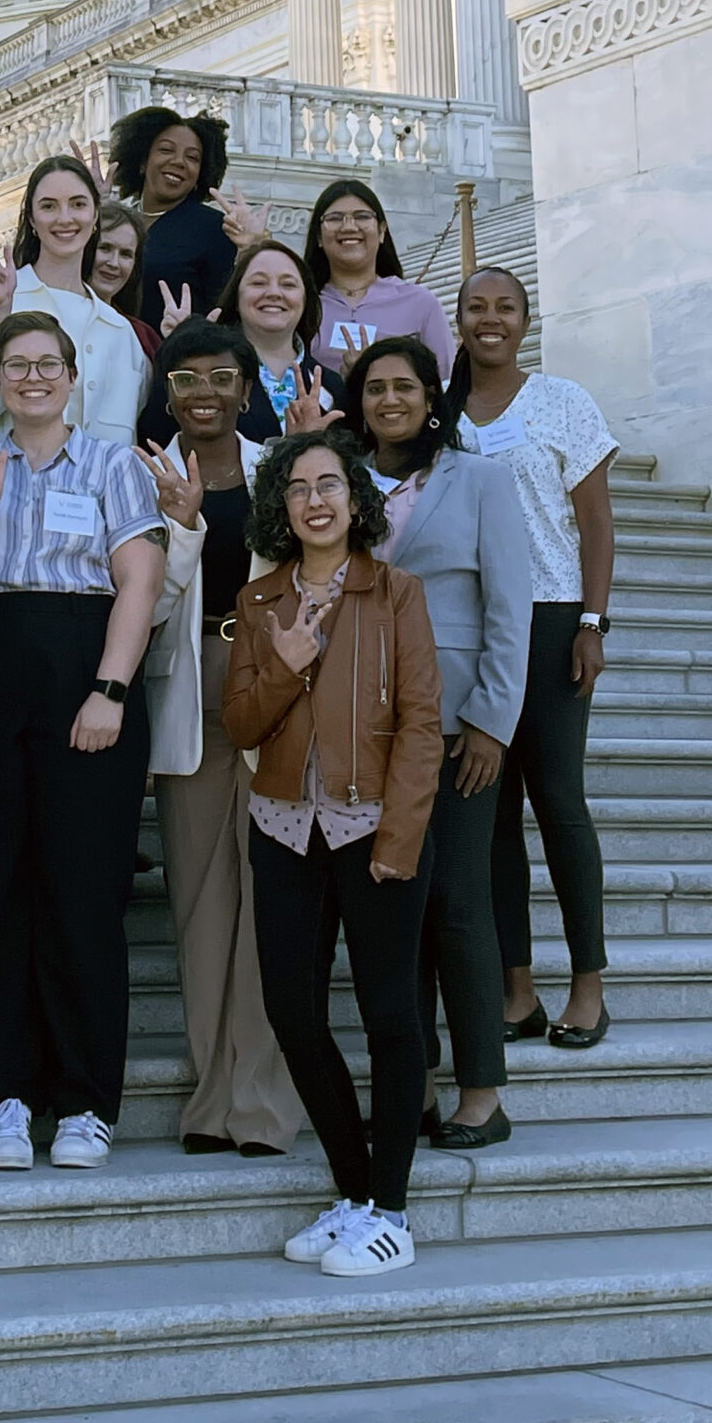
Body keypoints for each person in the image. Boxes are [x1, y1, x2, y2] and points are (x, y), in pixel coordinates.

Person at [0, 311, 167, 1172]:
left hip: (87, 671)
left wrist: (110, 688)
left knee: (81, 892)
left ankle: (83, 1102)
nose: (33, 377)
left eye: (49, 365)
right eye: (17, 365)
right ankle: (3, 1097)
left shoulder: (112, 460)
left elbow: (139, 580)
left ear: (74, 378)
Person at [225, 429, 444, 1278]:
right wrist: (284, 666)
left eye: (330, 484)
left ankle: (391, 1208)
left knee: (392, 1016)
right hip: (282, 826)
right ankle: (353, 1192)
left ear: (356, 500)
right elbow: (241, 724)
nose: (315, 499)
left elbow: (423, 725)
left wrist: (400, 838)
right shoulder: (260, 603)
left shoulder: (398, 594)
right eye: (297, 487)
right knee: (292, 1012)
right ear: (281, 507)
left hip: (372, 827)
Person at [342, 333, 531, 1149]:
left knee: (457, 906)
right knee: (396, 912)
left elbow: (510, 609)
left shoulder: (483, 479)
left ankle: (482, 1089)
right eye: (376, 389)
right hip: (370, 727)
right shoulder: (343, 483)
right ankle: (411, 1079)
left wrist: (492, 721)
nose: (390, 401)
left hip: (459, 728)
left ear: (431, 395)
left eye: (405, 387)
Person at [137, 321, 298, 1157]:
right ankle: (211, 1099)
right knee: (202, 905)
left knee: (271, 897)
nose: (204, 393)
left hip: (282, 686)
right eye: (187, 380)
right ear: (167, 394)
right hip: (191, 680)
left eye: (221, 377)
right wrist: (182, 528)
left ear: (247, 388)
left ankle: (263, 1105)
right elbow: (143, 604)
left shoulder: (286, 465)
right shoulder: (144, 474)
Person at [449, 268, 616, 1049]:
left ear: (525, 319)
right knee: (490, 820)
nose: (490, 320)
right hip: (471, 626)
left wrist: (593, 621)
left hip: (549, 621)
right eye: (476, 307)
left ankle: (589, 984)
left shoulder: (563, 403)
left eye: (504, 308)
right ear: (456, 319)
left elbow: (596, 524)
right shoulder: (441, 412)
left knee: (559, 804)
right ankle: (518, 989)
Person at [0, 158, 148, 447]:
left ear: (95, 216)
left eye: (78, 204)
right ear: (32, 220)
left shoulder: (121, 331)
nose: (64, 218)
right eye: (49, 206)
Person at [302, 180, 455, 378]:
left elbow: (445, 382)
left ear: (382, 231)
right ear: (319, 237)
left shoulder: (421, 304)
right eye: (335, 218)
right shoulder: (301, 305)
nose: (349, 226)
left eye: (362, 217)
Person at [107, 106, 235, 327]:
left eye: (192, 157)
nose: (179, 161)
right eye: (166, 150)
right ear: (143, 161)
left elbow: (224, 310)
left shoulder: (214, 229)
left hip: (173, 354)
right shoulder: (116, 220)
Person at [213, 238, 346, 443]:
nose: (274, 293)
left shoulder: (331, 385)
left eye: (288, 284)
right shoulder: (210, 373)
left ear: (305, 300)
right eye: (258, 283)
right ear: (236, 298)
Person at [88, 201, 158, 362]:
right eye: (105, 248)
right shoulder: (50, 319)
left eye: (126, 254)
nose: (114, 263)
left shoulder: (143, 337)